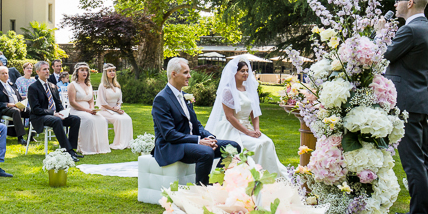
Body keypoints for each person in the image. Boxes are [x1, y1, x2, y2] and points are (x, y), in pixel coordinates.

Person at [385, 0, 428, 214]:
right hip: (421, 101)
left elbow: (385, 55)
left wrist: (380, 33)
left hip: (406, 103)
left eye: (398, 1)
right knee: (423, 159)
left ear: (409, 3)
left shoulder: (409, 30)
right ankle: (427, 210)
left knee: (412, 162)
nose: (395, 5)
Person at [153, 57, 240, 186]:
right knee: (206, 152)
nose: (189, 76)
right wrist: (199, 141)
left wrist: (209, 138)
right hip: (170, 146)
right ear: (173, 74)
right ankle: (201, 190)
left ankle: (215, 183)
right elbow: (169, 134)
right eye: (185, 72)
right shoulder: (161, 99)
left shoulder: (185, 96)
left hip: (189, 143)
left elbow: (195, 124)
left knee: (232, 147)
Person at [205, 56, 288, 179]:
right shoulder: (228, 91)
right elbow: (229, 117)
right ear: (235, 73)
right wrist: (248, 132)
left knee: (268, 142)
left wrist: (256, 129)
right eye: (242, 71)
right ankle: (255, 176)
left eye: (247, 70)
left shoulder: (249, 89)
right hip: (232, 128)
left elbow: (254, 112)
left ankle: (271, 176)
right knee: (258, 145)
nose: (246, 73)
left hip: (248, 127)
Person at [27, 61, 83, 161]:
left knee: (75, 119)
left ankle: (72, 149)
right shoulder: (33, 88)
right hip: (39, 117)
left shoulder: (52, 86)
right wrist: (53, 113)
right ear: (38, 72)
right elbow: (36, 109)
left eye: (48, 69)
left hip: (54, 115)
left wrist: (63, 112)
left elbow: (58, 104)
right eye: (44, 69)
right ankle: (66, 151)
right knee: (56, 120)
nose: (47, 71)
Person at [66, 62, 110, 155]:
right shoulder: (72, 85)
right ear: (77, 72)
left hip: (88, 110)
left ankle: (99, 146)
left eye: (86, 70)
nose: (84, 72)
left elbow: (90, 101)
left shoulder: (89, 85)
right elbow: (72, 102)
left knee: (102, 119)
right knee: (89, 120)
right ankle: (86, 147)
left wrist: (92, 109)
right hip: (76, 110)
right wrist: (87, 110)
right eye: (82, 70)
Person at [97, 63, 133, 150]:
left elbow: (119, 100)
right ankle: (119, 143)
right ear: (106, 73)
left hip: (116, 109)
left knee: (128, 118)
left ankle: (128, 142)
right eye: (110, 71)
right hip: (105, 110)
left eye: (113, 71)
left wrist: (118, 107)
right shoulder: (102, 86)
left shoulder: (117, 85)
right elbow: (103, 103)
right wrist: (115, 110)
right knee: (119, 119)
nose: (112, 72)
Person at [0, 64, 27, 145]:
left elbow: (19, 98)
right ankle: (20, 137)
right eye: (3, 73)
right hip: (5, 109)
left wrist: (22, 105)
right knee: (16, 111)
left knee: (30, 111)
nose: (5, 75)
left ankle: (31, 135)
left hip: (17, 106)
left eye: (6, 73)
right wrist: (7, 104)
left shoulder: (12, 85)